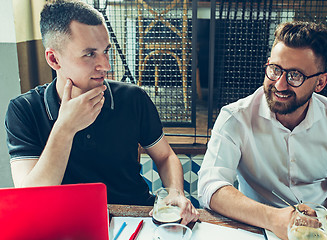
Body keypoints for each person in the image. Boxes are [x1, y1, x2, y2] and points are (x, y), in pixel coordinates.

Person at [5, 0, 198, 225]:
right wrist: (65, 128)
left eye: (105, 51)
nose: (105, 65)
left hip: (136, 215)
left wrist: (175, 192)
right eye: (89, 54)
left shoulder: (133, 98)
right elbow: (31, 200)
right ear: (53, 59)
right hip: (67, 223)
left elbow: (165, 156)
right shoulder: (24, 110)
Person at [198, 21, 327, 239]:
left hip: (323, 229)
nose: (280, 84)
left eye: (295, 75)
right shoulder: (235, 117)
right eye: (275, 70)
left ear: (320, 82)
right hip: (256, 228)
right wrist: (273, 218)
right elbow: (210, 187)